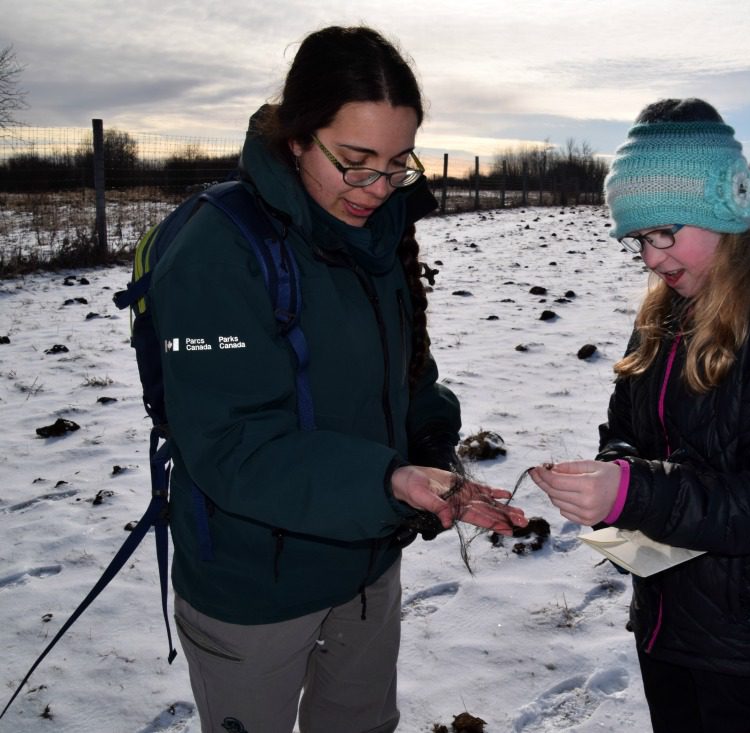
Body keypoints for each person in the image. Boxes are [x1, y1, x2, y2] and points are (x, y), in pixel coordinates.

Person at [150, 25, 526, 733]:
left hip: (367, 566)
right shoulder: (218, 249)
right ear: (297, 138)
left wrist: (428, 452)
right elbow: (233, 443)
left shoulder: (380, 237)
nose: (378, 187)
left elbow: (406, 375)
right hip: (254, 585)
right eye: (355, 161)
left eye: (397, 164)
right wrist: (387, 481)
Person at [530, 98, 750, 733]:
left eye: (666, 231)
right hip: (666, 612)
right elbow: (626, 430)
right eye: (640, 238)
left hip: (746, 636)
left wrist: (635, 490)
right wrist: (611, 480)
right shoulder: (663, 314)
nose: (652, 257)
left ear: (725, 208)